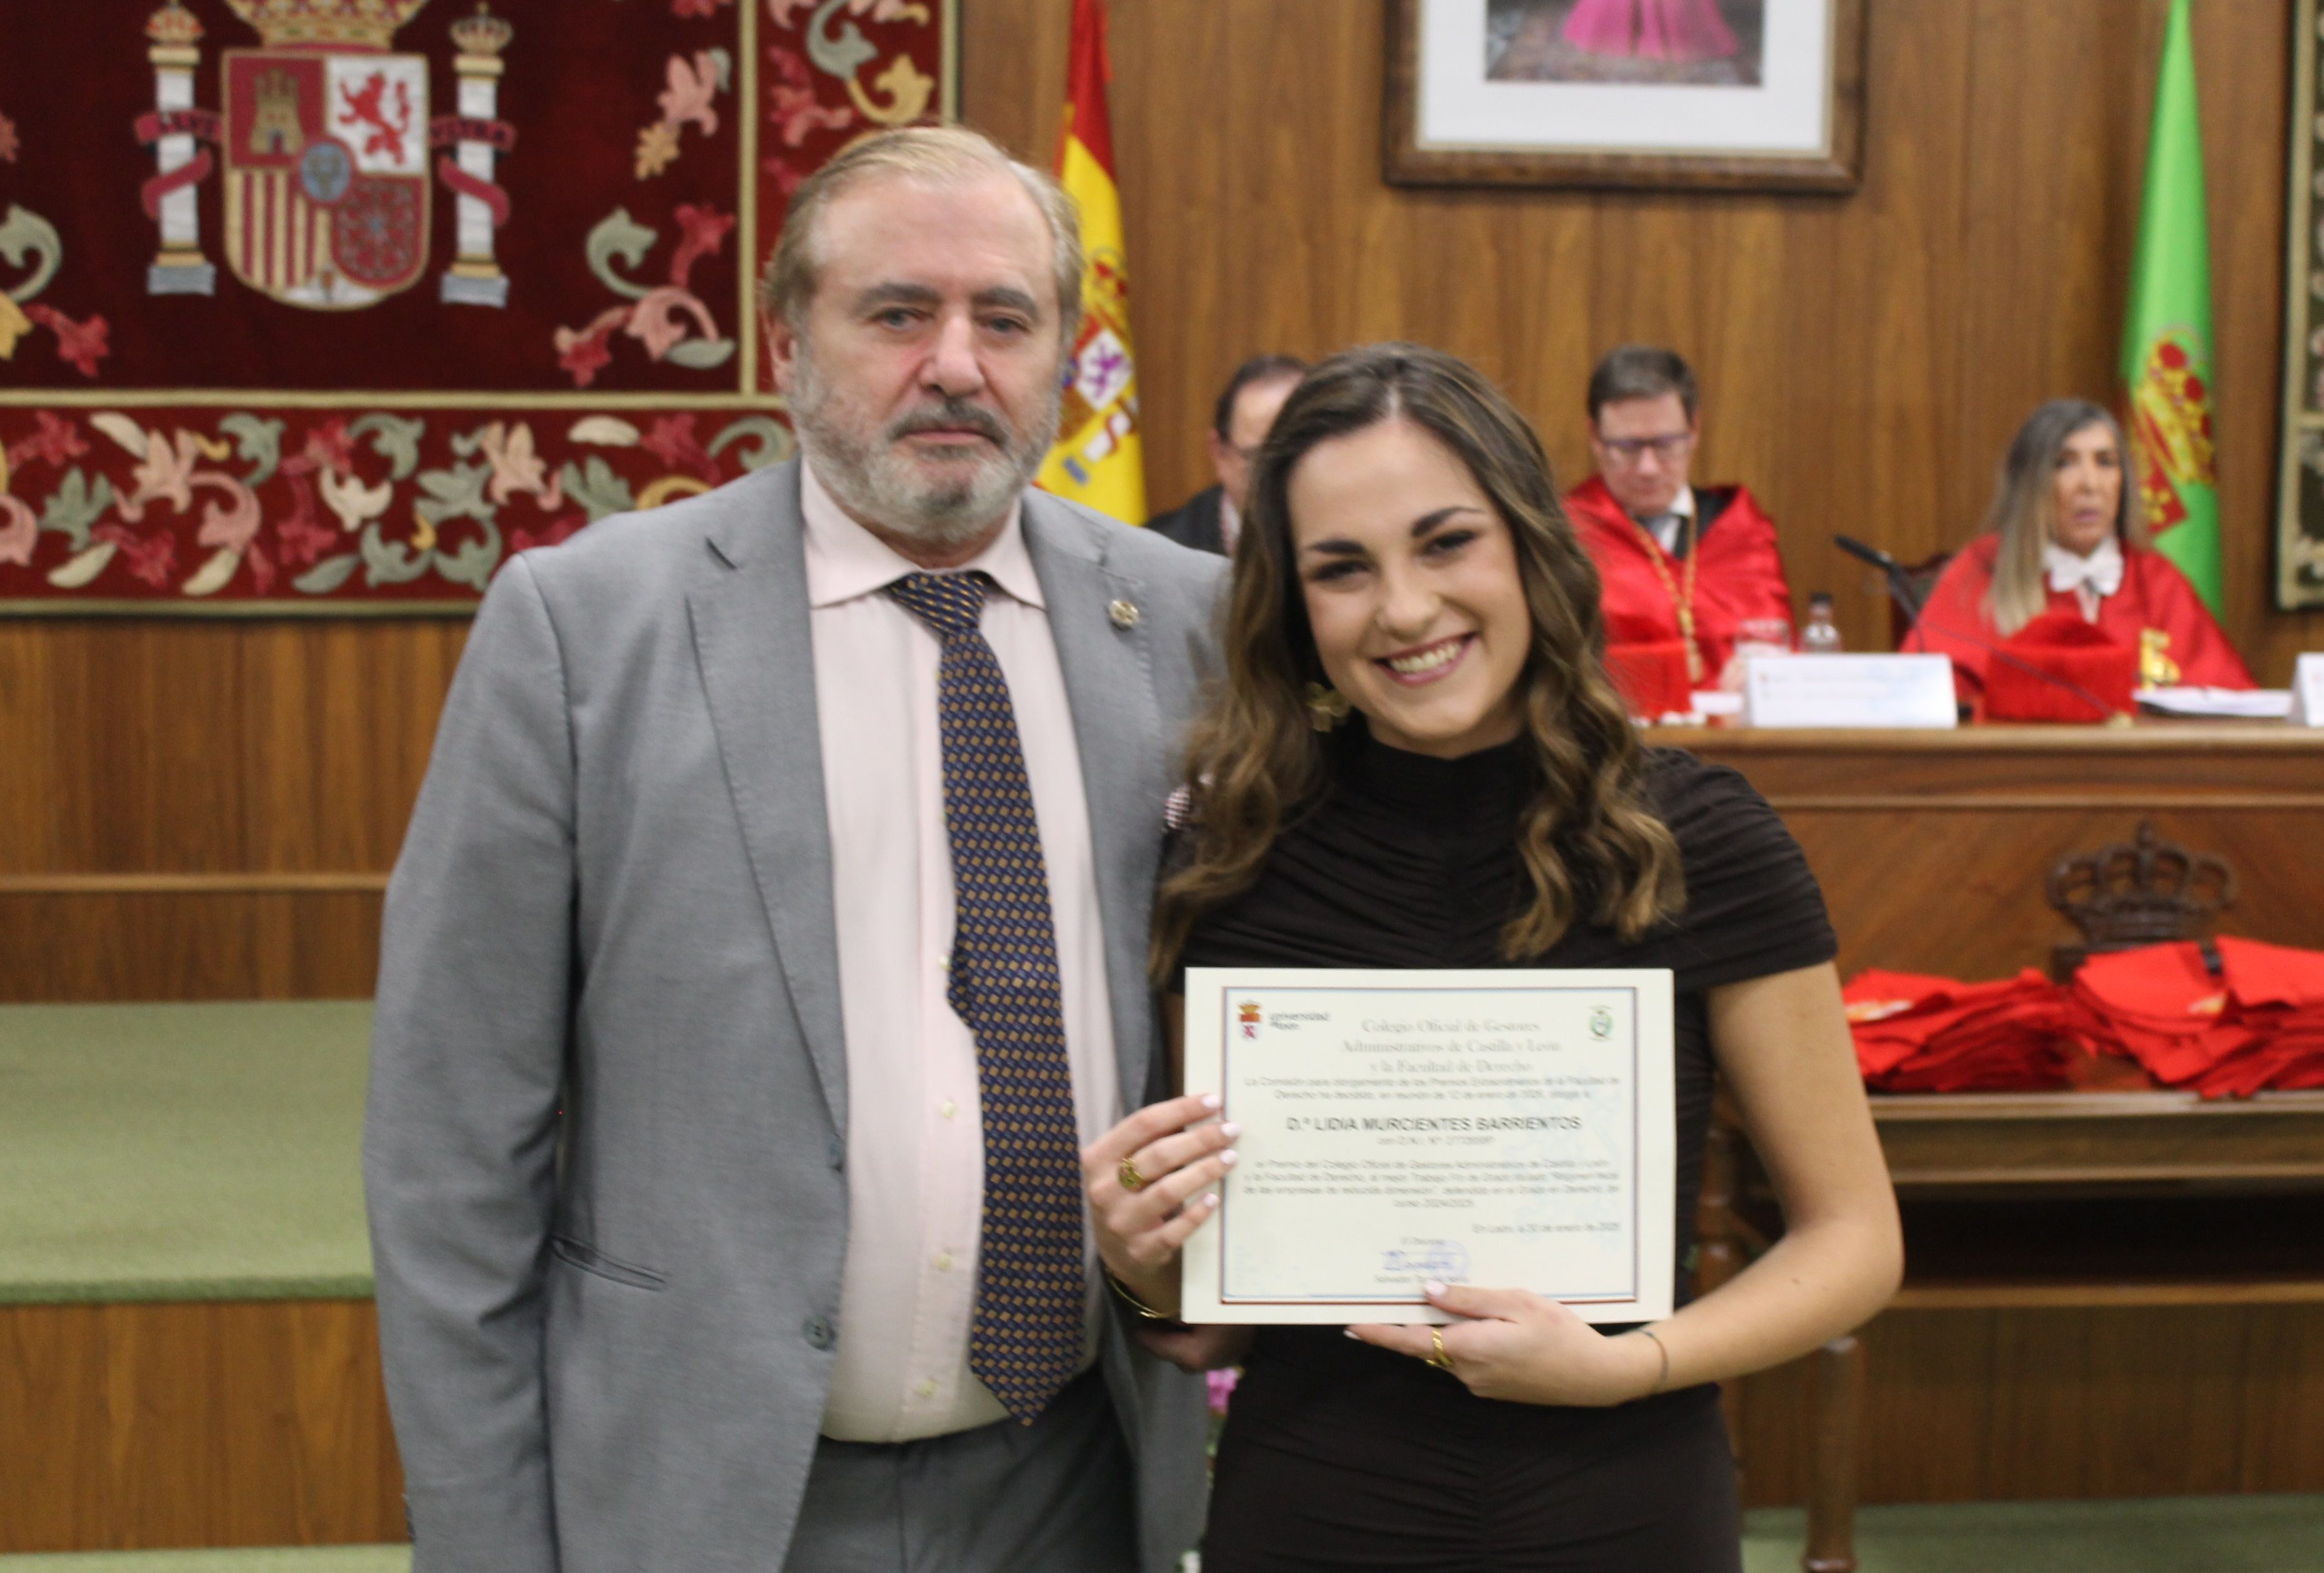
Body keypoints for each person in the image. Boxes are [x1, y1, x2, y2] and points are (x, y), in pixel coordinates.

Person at [364, 125, 1223, 1573]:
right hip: (709, 1489)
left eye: (1004, 318)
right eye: (897, 312)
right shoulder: (585, 629)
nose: (955, 362)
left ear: (1067, 354)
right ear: (787, 341)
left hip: (1082, 1475)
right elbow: (452, 1150)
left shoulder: (1194, 619)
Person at [1079, 345, 1902, 1572]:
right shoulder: (1228, 860)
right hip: (1311, 1498)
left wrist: (1628, 1361)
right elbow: (1202, 1334)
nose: (1403, 609)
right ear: (1292, 606)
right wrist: (1137, 1262)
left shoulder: (1699, 840)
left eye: (1445, 542)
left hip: (1621, 1488)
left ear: (1529, 542)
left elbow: (1852, 1240)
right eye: (1340, 569)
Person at [1904, 399, 2254, 697]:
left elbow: (2230, 701)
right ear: (2031, 483)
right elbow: (1922, 697)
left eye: (2105, 462)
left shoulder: (2156, 580)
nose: (2090, 485)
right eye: (2065, 463)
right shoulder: (1984, 568)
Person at [1564, 345, 1794, 690]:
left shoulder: (1742, 529)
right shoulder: (1566, 533)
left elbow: (1776, 645)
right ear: (1595, 437)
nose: (1647, 468)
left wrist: (1767, 668)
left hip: (1735, 738)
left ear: (1695, 428)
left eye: (1665, 444)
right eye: (1626, 447)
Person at [1145, 354, 1307, 556]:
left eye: (1301, 454)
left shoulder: (1350, 529)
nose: (1283, 479)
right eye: (1260, 461)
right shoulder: (1162, 556)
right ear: (1220, 454)